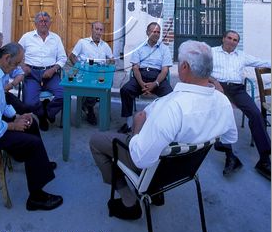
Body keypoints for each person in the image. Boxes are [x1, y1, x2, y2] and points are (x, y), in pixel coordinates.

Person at [90, 40, 238, 220]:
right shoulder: (223, 102)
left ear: (184, 67)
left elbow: (141, 159)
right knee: (148, 129)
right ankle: (156, 192)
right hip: (185, 170)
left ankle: (129, 201)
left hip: (154, 166)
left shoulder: (171, 107)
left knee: (97, 141)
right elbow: (229, 138)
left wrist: (136, 132)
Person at [0, 43, 63, 211]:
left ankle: (38, 164)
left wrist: (17, 116)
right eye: (16, 63)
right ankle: (36, 198)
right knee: (32, 144)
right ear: (7, 58)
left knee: (31, 123)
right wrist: (13, 125)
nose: (17, 68)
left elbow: (1, 101)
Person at [209, 30, 271, 179]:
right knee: (225, 112)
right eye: (229, 38)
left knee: (256, 115)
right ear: (223, 39)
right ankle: (230, 157)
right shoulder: (211, 52)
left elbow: (262, 62)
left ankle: (264, 159)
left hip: (237, 89)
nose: (231, 41)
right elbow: (201, 70)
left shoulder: (242, 56)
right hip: (218, 87)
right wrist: (215, 82)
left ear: (237, 43)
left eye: (235, 40)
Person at [118, 22, 172, 133]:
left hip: (157, 77)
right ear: (147, 33)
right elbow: (135, 68)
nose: (156, 34)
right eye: (153, 31)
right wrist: (142, 84)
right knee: (125, 90)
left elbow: (165, 70)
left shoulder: (164, 49)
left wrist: (155, 84)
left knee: (170, 95)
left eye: (158, 32)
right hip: (140, 76)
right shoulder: (139, 47)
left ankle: (164, 124)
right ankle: (128, 124)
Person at [18, 12, 67, 131]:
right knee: (29, 103)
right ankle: (41, 115)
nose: (43, 23)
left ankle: (48, 113)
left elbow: (62, 57)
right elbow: (16, 53)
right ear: (35, 23)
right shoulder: (27, 37)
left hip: (51, 74)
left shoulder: (56, 38)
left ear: (50, 23)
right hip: (31, 74)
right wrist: (23, 66)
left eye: (46, 21)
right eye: (41, 21)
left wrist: (54, 69)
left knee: (65, 94)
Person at [69, 21, 114, 125]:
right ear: (92, 30)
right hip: (86, 73)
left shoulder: (105, 45)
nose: (98, 32)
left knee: (102, 83)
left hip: (100, 73)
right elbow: (72, 56)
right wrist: (79, 67)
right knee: (93, 83)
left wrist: (109, 61)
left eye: (101, 30)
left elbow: (112, 59)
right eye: (96, 29)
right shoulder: (82, 42)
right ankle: (89, 109)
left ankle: (88, 106)